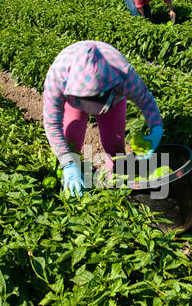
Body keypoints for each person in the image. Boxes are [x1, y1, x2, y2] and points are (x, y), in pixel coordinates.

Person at [43, 40, 164, 197]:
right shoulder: (57, 78)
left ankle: (115, 185)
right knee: (71, 141)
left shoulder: (122, 74)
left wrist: (156, 127)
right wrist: (67, 162)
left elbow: (145, 99)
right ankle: (73, 181)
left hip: (113, 99)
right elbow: (52, 123)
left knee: (114, 144)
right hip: (74, 95)